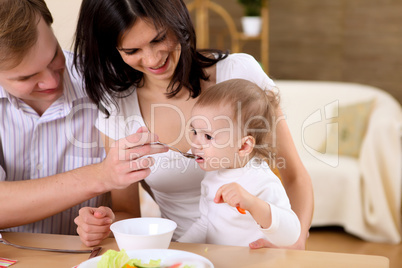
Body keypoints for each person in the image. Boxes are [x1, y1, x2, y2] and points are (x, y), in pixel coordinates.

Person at [73, 0, 313, 249]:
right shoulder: (117, 108)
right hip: (184, 253)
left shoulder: (240, 75)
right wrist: (106, 224)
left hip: (260, 253)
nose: (153, 59)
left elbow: (294, 176)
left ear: (176, 20)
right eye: (132, 51)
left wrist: (293, 246)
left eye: (159, 39)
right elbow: (127, 212)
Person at [0, 0, 167, 236]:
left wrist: (104, 226)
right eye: (26, 77)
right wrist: (101, 175)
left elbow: (127, 213)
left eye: (53, 57)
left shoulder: (108, 86)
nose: (52, 82)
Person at [177, 79, 301, 246]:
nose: (195, 143)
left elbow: (291, 234)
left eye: (207, 136)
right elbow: (205, 223)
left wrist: (252, 203)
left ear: (243, 145)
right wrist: (178, 247)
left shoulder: (263, 181)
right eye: (194, 131)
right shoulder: (213, 174)